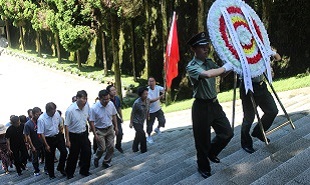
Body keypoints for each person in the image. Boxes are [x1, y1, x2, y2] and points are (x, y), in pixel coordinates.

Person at [186, 32, 234, 178]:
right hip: (201, 107)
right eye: (202, 47)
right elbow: (207, 75)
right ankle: (203, 168)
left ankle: (212, 152)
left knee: (227, 132)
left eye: (207, 46)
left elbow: (220, 73)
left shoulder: (209, 61)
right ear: (194, 49)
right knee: (202, 141)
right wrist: (226, 67)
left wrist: (232, 65)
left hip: (214, 104)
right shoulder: (192, 66)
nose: (206, 49)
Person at [240, 52, 282, 154]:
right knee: (249, 118)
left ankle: (258, 132)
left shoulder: (261, 47)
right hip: (248, 88)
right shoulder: (242, 51)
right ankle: (246, 143)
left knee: (272, 110)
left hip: (262, 86)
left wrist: (271, 52)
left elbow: (278, 58)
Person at [64, 90, 91, 179]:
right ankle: (69, 173)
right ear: (77, 98)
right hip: (73, 135)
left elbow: (88, 117)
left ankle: (84, 171)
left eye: (86, 98)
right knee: (73, 155)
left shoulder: (87, 106)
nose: (84, 101)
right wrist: (67, 140)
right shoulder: (70, 110)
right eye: (83, 98)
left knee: (87, 152)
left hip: (83, 133)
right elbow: (66, 125)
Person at [37, 102, 67, 179]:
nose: (54, 112)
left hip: (58, 136)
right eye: (52, 111)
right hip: (48, 139)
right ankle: (51, 174)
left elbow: (60, 122)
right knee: (50, 157)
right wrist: (46, 145)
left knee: (64, 152)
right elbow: (41, 133)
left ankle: (61, 167)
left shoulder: (56, 113)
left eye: (55, 110)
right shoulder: (41, 119)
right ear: (48, 111)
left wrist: (60, 130)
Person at [89, 89, 118, 168]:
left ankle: (106, 161)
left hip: (109, 128)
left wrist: (116, 127)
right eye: (105, 99)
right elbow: (91, 121)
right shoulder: (94, 108)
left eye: (108, 98)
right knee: (102, 148)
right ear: (100, 99)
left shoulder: (111, 104)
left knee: (111, 146)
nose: (107, 101)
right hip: (99, 130)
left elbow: (114, 115)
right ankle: (96, 158)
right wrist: (95, 134)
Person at [24, 107, 44, 176]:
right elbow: (28, 136)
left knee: (47, 155)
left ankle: (47, 169)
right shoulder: (28, 124)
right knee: (35, 158)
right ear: (32, 114)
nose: (38, 116)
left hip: (42, 142)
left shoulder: (41, 120)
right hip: (35, 143)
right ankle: (36, 170)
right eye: (36, 114)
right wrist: (32, 146)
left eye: (39, 114)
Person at [129, 86, 150, 153]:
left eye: (147, 94)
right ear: (141, 95)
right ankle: (143, 149)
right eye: (144, 94)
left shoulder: (147, 100)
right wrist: (131, 122)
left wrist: (148, 115)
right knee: (142, 134)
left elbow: (147, 109)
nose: (146, 95)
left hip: (142, 121)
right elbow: (133, 113)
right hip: (136, 121)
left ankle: (134, 147)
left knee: (138, 134)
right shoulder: (137, 103)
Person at [146, 77, 166, 144]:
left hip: (158, 109)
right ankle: (149, 136)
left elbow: (164, 89)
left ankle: (157, 128)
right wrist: (159, 97)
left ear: (155, 82)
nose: (151, 83)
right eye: (150, 81)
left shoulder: (157, 87)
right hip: (150, 111)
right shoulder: (147, 91)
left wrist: (164, 90)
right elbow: (150, 101)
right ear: (148, 83)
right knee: (150, 125)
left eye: (152, 81)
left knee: (162, 120)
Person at [106, 84, 124, 153]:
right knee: (109, 135)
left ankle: (118, 145)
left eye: (114, 90)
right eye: (112, 90)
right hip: (108, 119)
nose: (114, 91)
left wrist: (121, 117)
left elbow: (119, 108)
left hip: (116, 117)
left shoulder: (117, 98)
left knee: (120, 133)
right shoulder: (107, 100)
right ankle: (109, 148)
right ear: (109, 92)